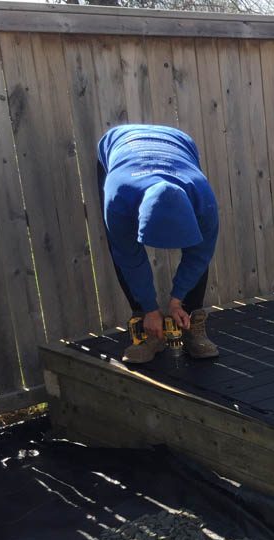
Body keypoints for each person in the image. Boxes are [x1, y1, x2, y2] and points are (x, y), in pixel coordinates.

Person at [98, 124, 220, 363]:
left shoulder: (203, 201)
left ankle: (191, 321)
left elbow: (199, 254)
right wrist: (151, 309)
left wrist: (177, 300)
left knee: (199, 249)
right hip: (119, 145)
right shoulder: (118, 198)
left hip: (178, 143)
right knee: (121, 250)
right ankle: (145, 324)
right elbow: (129, 256)